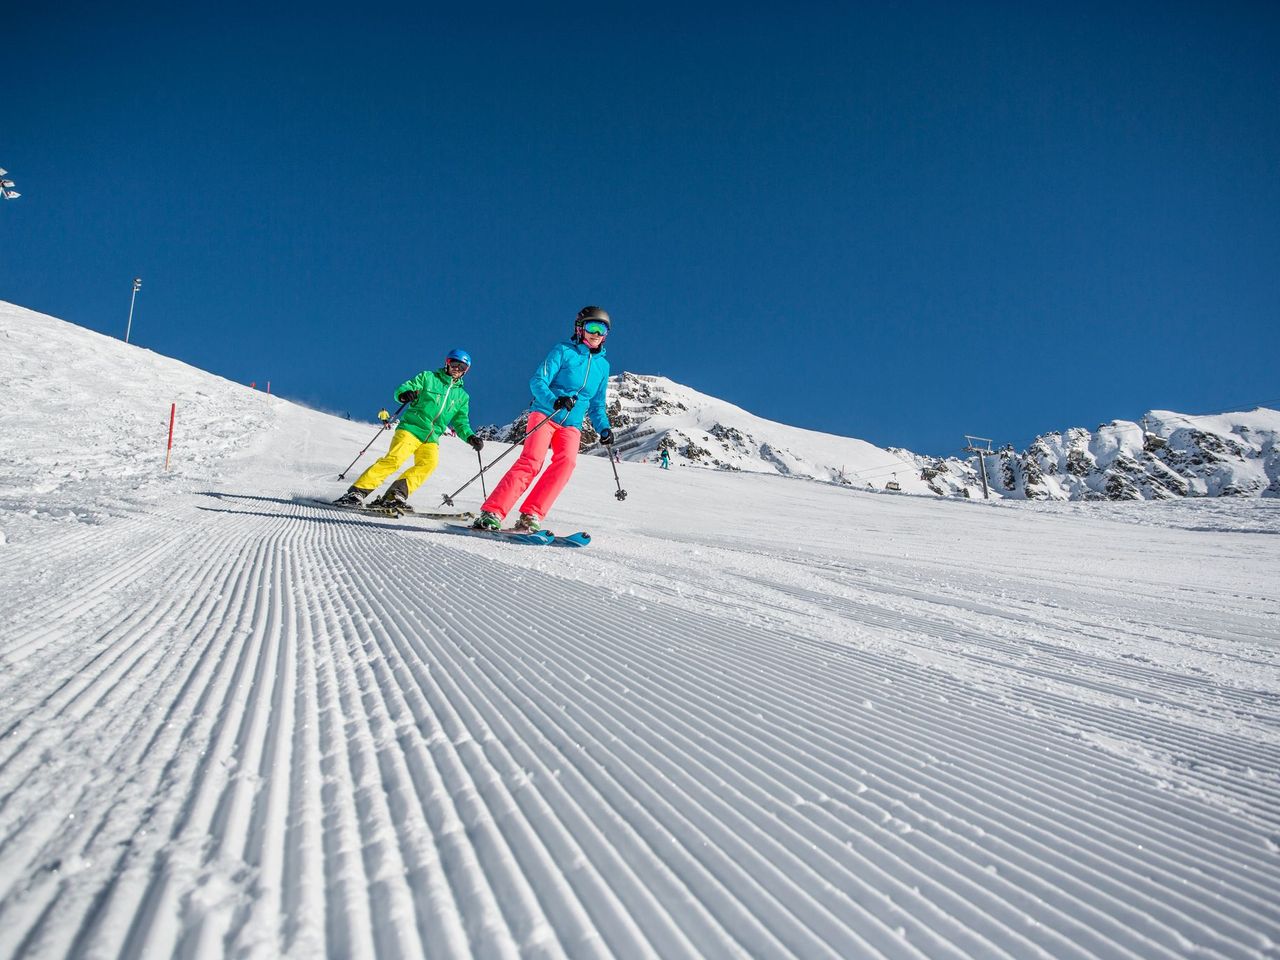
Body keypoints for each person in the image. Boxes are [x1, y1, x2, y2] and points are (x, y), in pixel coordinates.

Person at [473, 306, 614, 532]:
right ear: (580, 328)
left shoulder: (603, 366)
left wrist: (604, 428)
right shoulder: (563, 350)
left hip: (572, 424)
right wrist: (554, 401)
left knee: (566, 464)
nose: (596, 334)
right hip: (546, 414)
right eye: (592, 327)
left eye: (602, 329)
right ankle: (493, 512)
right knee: (532, 461)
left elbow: (597, 405)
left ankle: (531, 514)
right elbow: (537, 381)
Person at [335, 348, 484, 511]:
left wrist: (470, 437)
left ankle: (395, 495)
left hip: (431, 437)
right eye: (455, 364)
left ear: (466, 371)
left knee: (428, 464)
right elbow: (406, 387)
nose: (457, 369)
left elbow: (461, 422)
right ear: (447, 363)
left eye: (462, 367)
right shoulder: (428, 377)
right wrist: (405, 394)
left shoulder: (462, 396)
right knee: (395, 459)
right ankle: (357, 492)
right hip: (411, 428)